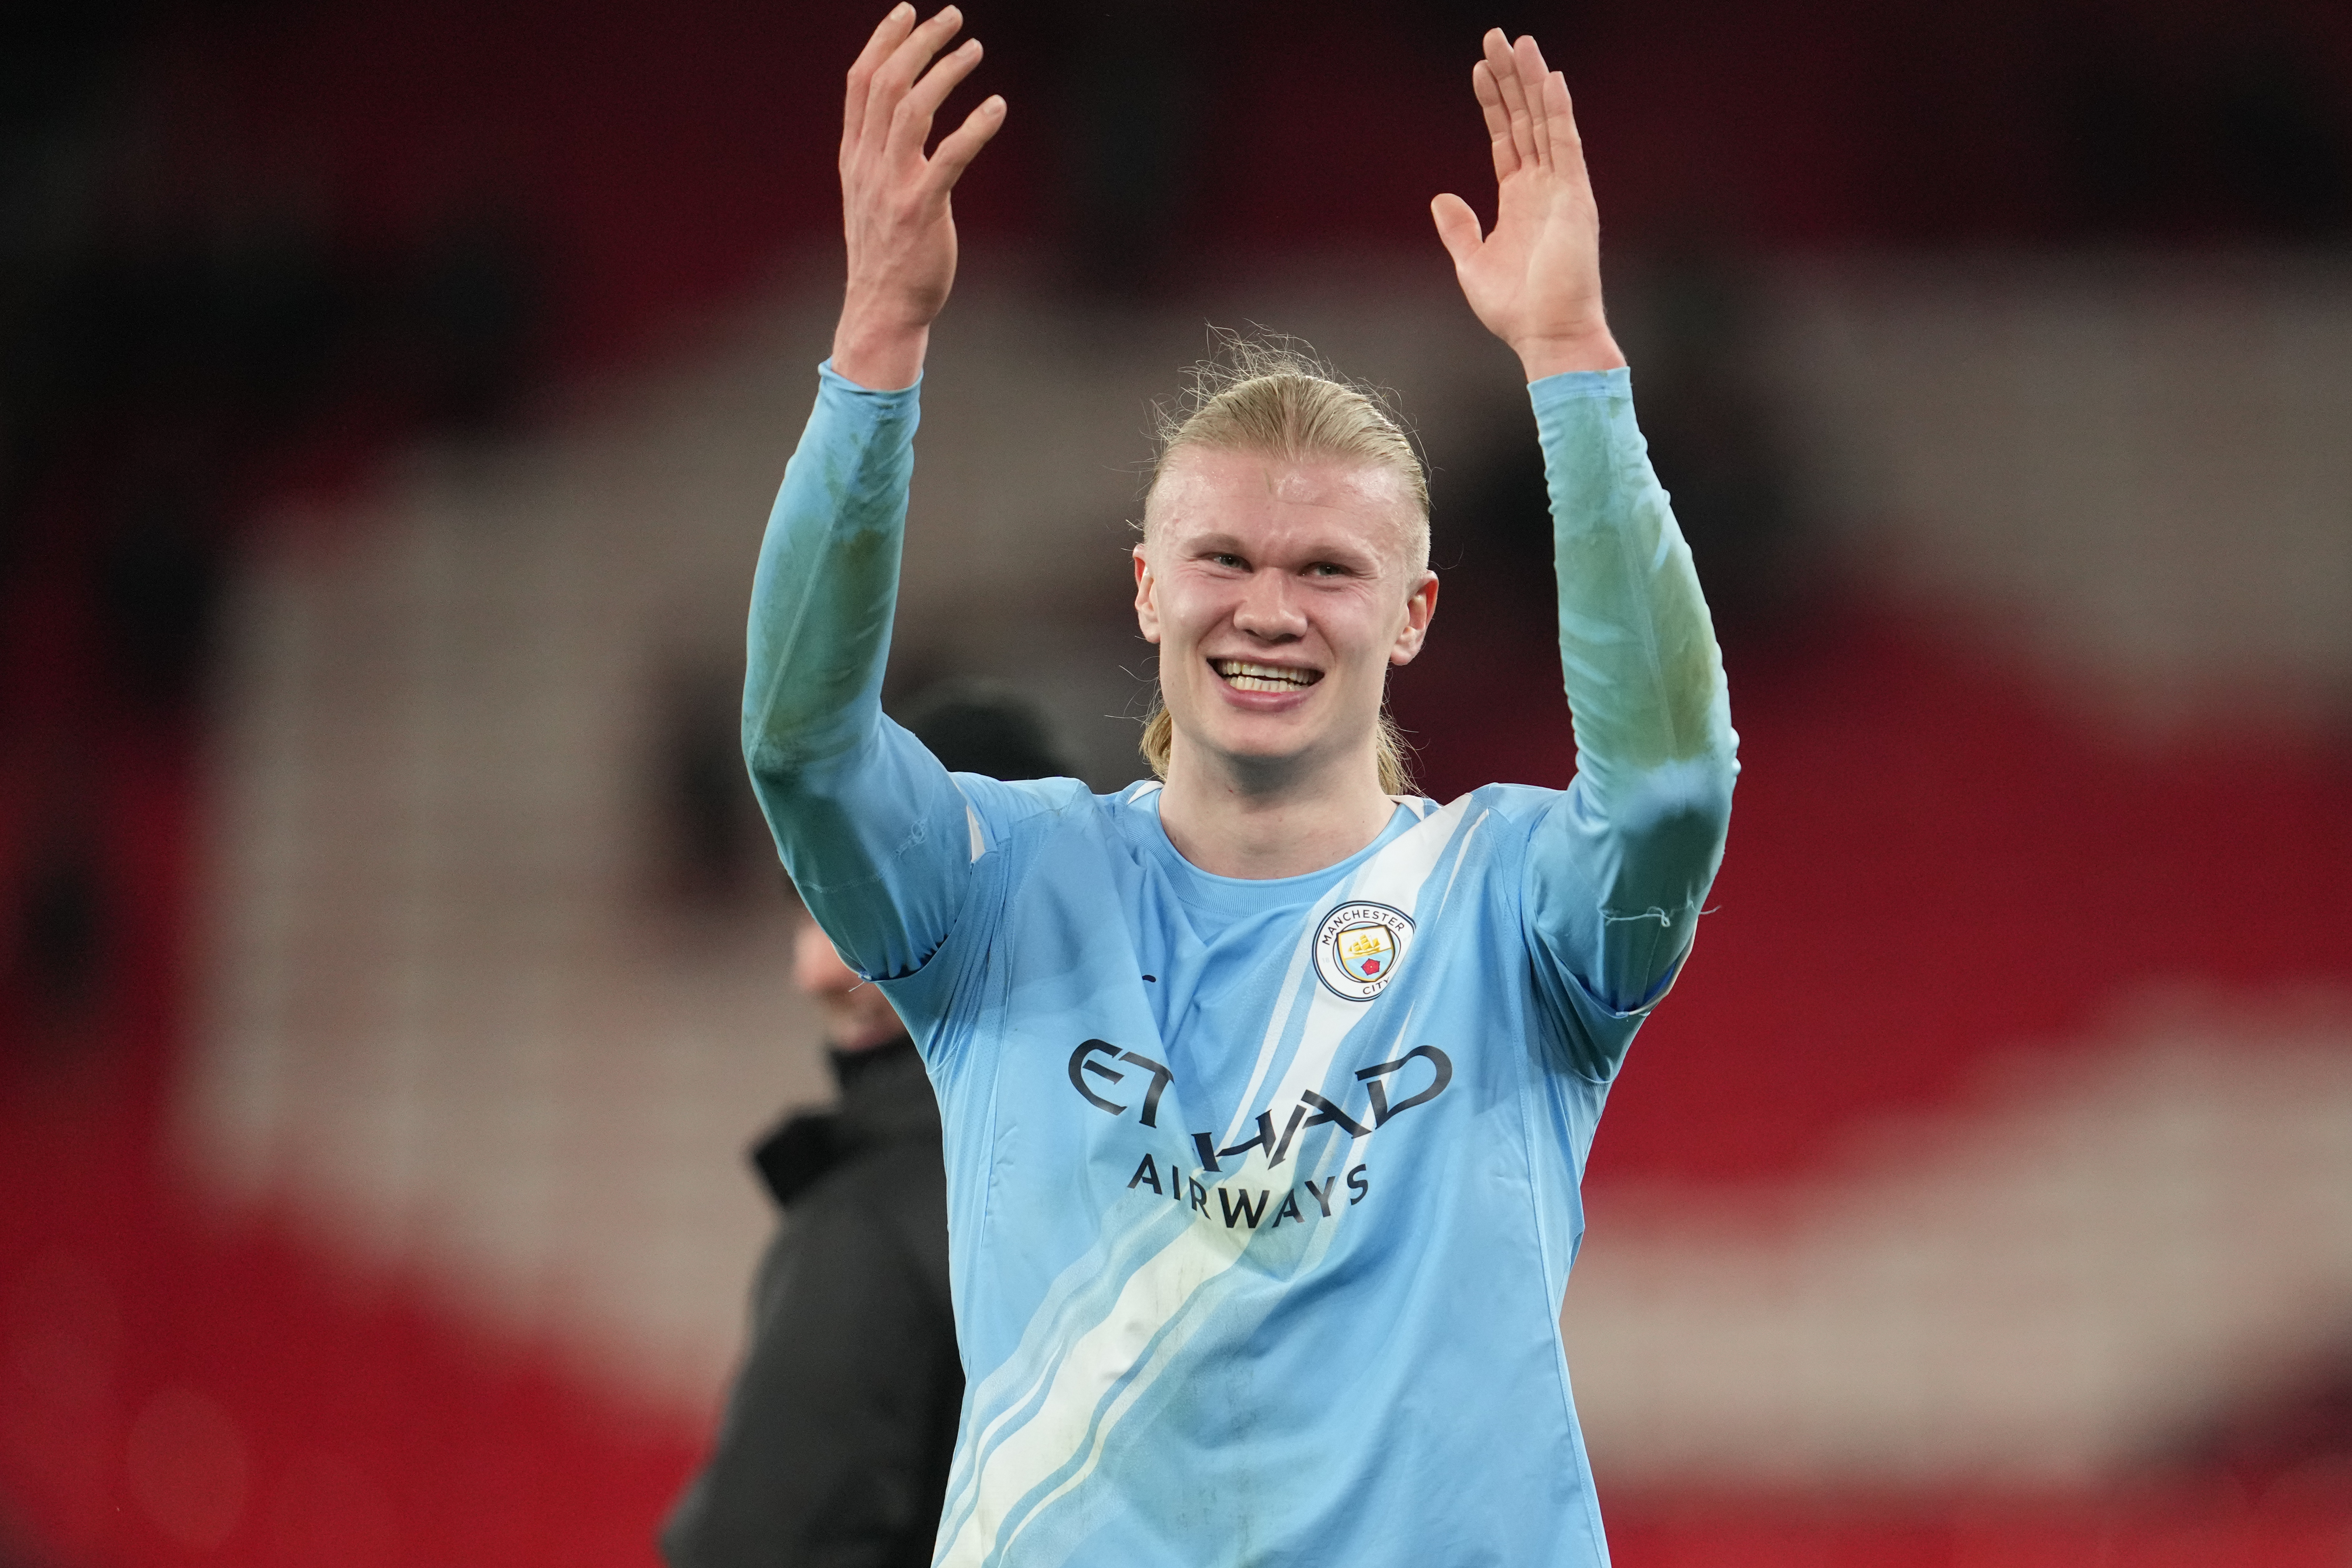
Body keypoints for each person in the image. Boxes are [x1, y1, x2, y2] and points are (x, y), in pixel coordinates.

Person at [741, 7, 1737, 1564]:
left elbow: (1670, 792)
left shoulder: (1512, 911)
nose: (1267, 608)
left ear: (1411, 614)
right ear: (1146, 590)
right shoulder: (999, 890)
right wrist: (877, 333)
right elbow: (800, 751)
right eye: (1222, 559)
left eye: (1327, 569)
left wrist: (1569, 360)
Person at [664, 687, 1072, 1568]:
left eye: (844, 903)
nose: (811, 968)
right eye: (801, 906)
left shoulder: (875, 1233)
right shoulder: (1186, 1176)